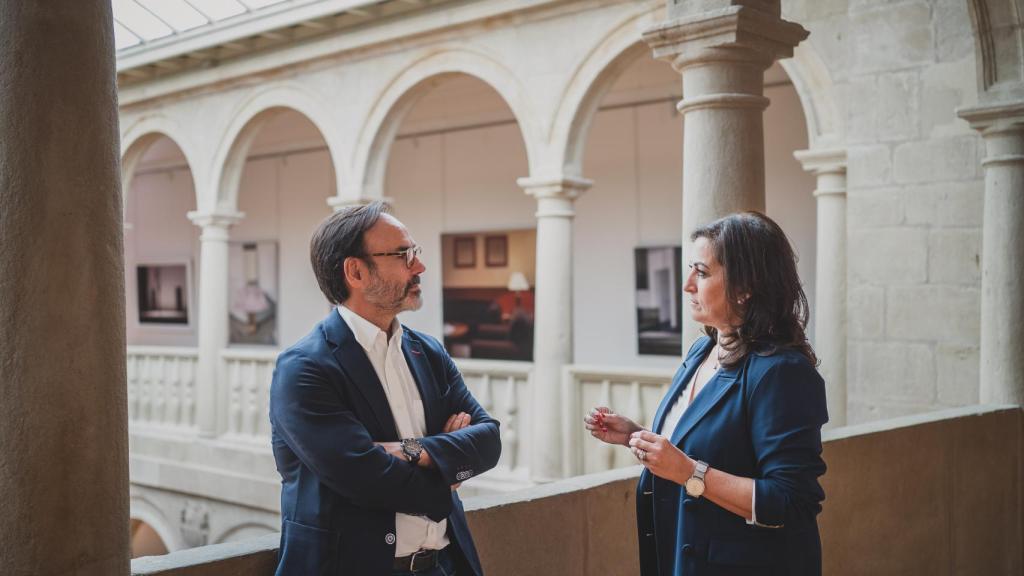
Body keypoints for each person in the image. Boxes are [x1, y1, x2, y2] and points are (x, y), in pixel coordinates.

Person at [585, 212, 828, 576]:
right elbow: (707, 447)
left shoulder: (781, 372)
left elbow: (790, 501)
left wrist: (687, 472)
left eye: (701, 272)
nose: (687, 285)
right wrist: (636, 436)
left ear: (745, 287)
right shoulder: (702, 351)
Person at [270, 201, 501, 576]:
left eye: (416, 253)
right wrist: (449, 473)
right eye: (404, 255)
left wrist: (413, 451)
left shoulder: (426, 350)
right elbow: (365, 479)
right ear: (356, 271)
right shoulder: (304, 368)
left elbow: (489, 440)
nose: (419, 266)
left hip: (443, 566)